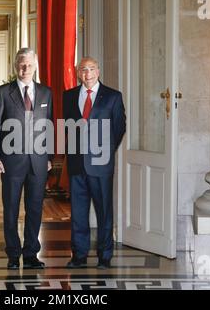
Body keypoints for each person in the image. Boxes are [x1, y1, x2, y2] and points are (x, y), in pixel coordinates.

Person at [0, 48, 53, 270]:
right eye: (21, 65)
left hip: (38, 161)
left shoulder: (46, 93)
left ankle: (32, 253)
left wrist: (49, 157)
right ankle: (14, 255)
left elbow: (49, 127)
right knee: (11, 209)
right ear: (16, 66)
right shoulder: (3, 93)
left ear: (36, 66)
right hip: (10, 162)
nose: (25, 69)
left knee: (35, 208)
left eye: (29, 65)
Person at [63, 57, 126, 269]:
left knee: (104, 211)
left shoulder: (113, 97)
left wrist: (105, 150)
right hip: (77, 165)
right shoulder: (69, 96)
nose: (87, 73)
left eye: (91, 69)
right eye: (83, 69)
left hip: (101, 164)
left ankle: (104, 256)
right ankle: (79, 256)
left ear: (98, 71)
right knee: (78, 213)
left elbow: (119, 128)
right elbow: (67, 128)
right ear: (78, 72)